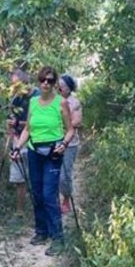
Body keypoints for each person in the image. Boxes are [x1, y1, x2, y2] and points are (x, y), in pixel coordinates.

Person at [11, 65, 74, 256]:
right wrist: (17, 147)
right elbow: (28, 129)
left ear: (55, 84)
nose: (46, 83)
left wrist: (64, 144)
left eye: (51, 80)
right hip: (34, 151)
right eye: (43, 80)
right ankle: (41, 231)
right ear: (39, 81)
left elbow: (70, 129)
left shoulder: (61, 103)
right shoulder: (34, 102)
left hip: (53, 152)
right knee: (36, 193)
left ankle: (58, 238)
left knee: (48, 194)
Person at [6, 67, 33, 215]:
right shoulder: (15, 99)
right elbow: (9, 120)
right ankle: (20, 210)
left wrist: (18, 125)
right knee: (19, 178)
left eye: (17, 85)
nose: (15, 88)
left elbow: (35, 123)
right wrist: (12, 136)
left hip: (35, 141)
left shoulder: (37, 97)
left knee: (35, 175)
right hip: (17, 140)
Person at [58, 73, 82, 215]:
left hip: (70, 144)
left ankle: (66, 198)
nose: (60, 88)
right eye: (58, 86)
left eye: (63, 86)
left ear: (69, 88)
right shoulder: (53, 101)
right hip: (52, 141)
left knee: (65, 174)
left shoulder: (75, 103)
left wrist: (63, 125)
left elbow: (77, 122)